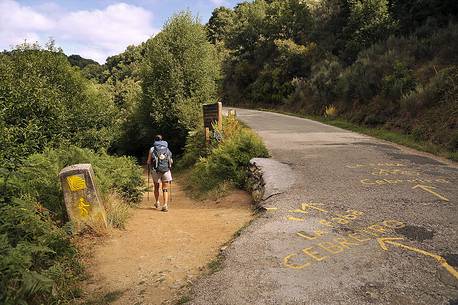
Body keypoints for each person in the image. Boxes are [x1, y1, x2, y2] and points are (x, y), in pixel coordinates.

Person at [147, 135, 173, 212]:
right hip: (166, 170)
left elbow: (148, 161)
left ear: (155, 141)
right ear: (162, 140)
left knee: (156, 187)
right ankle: (165, 205)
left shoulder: (152, 149)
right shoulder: (166, 148)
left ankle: (157, 202)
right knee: (165, 189)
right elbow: (171, 161)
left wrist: (150, 165)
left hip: (156, 170)